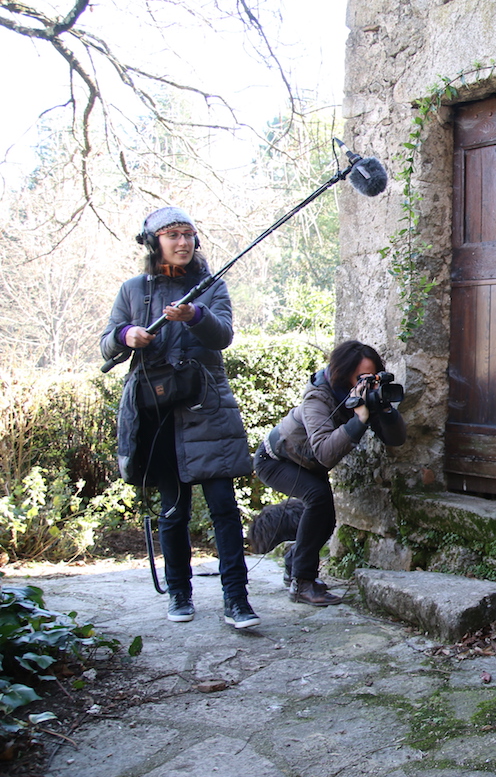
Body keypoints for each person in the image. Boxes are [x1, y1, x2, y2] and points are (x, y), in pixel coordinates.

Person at [100, 207, 260, 629]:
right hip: (158, 414)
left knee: (224, 507)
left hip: (208, 411)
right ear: (155, 243)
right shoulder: (133, 290)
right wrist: (126, 336)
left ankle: (237, 600)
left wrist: (195, 316)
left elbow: (222, 335)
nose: (183, 243)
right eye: (173, 236)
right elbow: (107, 342)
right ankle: (179, 593)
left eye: (189, 235)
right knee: (172, 510)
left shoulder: (210, 287)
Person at [254, 341, 407, 606]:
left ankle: (294, 564)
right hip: (275, 459)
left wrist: (383, 409)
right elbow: (325, 452)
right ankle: (302, 583)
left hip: (308, 462)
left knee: (326, 521)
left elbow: (396, 439)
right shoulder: (318, 397)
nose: (366, 383)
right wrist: (359, 419)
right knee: (318, 499)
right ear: (342, 373)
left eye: (371, 377)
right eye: (361, 378)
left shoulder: (364, 394)